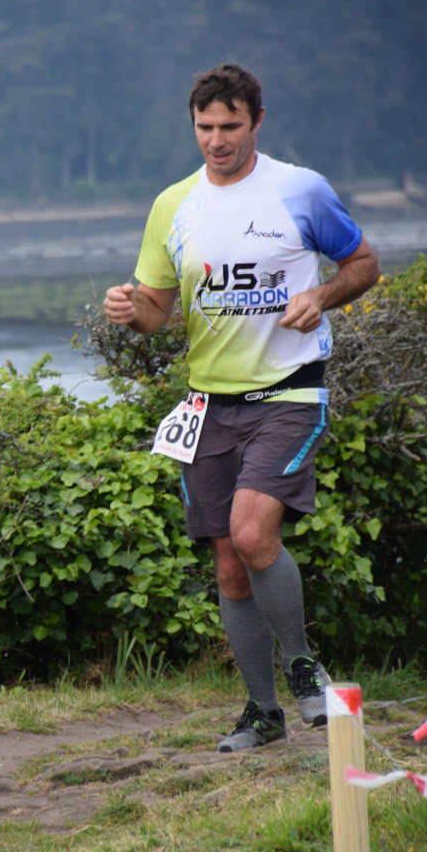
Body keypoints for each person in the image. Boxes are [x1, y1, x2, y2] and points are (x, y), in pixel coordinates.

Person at [104, 64, 380, 752]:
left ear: (257, 121)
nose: (217, 140)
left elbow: (364, 265)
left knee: (253, 534)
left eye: (230, 126)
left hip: (289, 391)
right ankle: (263, 712)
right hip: (209, 405)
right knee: (229, 563)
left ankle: (303, 665)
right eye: (205, 127)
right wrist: (130, 311)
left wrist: (321, 296)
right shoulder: (173, 204)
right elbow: (156, 311)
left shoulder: (300, 189)